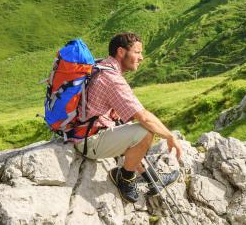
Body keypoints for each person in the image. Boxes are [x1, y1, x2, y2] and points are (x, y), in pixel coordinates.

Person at [74, 32, 183, 203]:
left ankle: (151, 178)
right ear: (121, 52)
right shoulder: (112, 79)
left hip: (85, 132)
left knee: (131, 129)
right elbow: (144, 117)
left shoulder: (101, 65)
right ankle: (124, 179)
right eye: (137, 52)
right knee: (145, 131)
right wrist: (169, 136)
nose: (141, 57)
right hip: (89, 141)